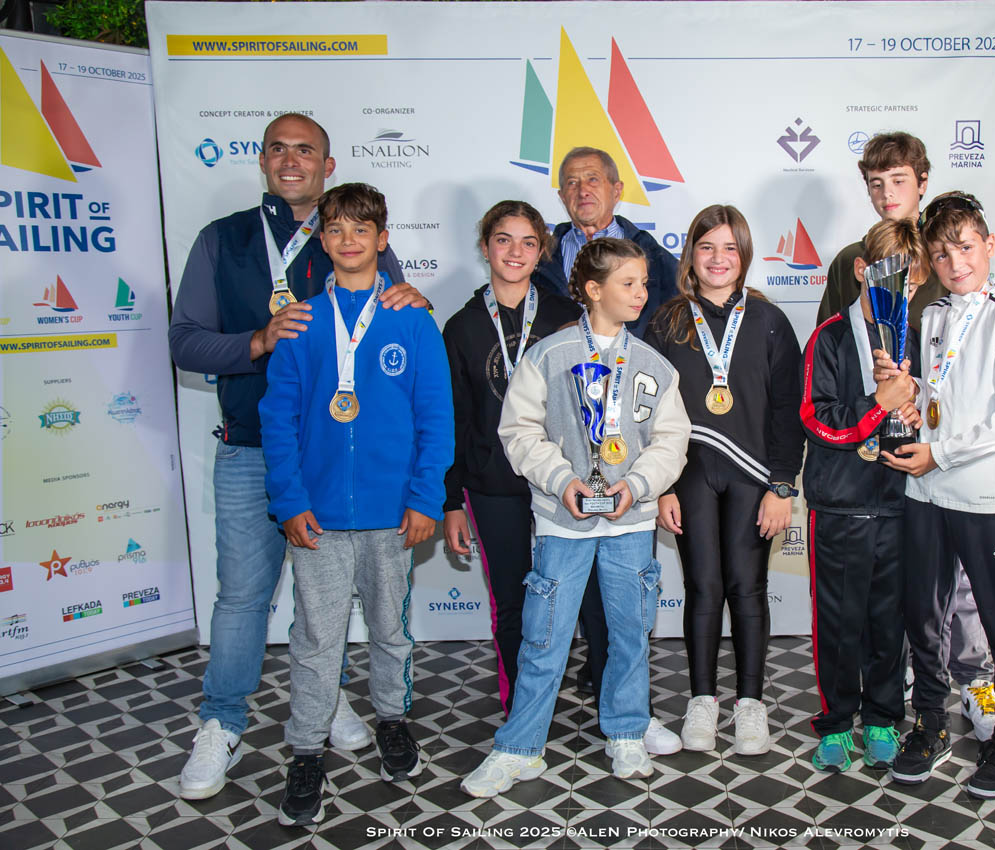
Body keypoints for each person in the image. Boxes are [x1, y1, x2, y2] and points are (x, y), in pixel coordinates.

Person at [168, 114, 431, 800]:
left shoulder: (350, 235)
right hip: (254, 449)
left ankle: (333, 704)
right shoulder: (223, 239)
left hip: (349, 472)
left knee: (334, 613)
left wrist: (414, 299)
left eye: (305, 150)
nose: (291, 160)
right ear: (261, 160)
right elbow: (184, 342)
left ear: (326, 163)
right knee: (243, 598)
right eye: (278, 149)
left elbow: (399, 331)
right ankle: (222, 721)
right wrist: (256, 341)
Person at [462, 238, 690, 797]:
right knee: (544, 637)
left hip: (631, 524)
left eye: (643, 283)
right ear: (593, 289)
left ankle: (627, 731)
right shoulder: (547, 356)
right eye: (628, 283)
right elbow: (519, 431)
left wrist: (637, 484)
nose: (641, 293)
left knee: (630, 633)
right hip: (562, 525)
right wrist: (563, 480)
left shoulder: (655, 365)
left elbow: (671, 440)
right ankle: (520, 747)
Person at [259, 182, 453, 824]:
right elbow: (278, 421)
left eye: (361, 229)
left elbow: (435, 418)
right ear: (322, 240)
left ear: (382, 239)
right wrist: (289, 501)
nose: (348, 240)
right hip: (317, 517)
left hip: (393, 514)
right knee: (317, 637)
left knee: (390, 629)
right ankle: (306, 750)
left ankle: (392, 719)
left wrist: (425, 497)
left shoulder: (413, 320)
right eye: (337, 229)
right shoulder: (301, 322)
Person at [820, 131, 995, 741]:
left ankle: (975, 682)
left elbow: (971, 352)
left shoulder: (946, 252)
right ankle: (909, 694)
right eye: (875, 183)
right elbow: (835, 350)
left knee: (962, 579)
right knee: (908, 591)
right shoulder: (854, 260)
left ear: (922, 182)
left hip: (947, 442)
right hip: (879, 454)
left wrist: (928, 408)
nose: (886, 193)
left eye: (898, 180)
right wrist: (876, 401)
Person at [883, 191, 995, 799]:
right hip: (926, 492)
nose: (956, 263)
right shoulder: (931, 315)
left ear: (989, 245)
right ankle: (930, 722)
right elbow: (939, 399)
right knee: (924, 620)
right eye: (941, 253)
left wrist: (941, 452)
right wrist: (911, 407)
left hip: (987, 499)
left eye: (966, 247)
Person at [647, 205, 804, 756]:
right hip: (687, 474)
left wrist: (781, 486)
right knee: (703, 586)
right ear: (691, 254)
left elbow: (787, 409)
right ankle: (702, 700)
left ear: (745, 255)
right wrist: (661, 486)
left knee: (748, 586)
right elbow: (648, 410)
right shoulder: (667, 321)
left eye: (730, 248)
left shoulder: (769, 321)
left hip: (753, 477)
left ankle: (751, 704)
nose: (718, 259)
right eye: (707, 247)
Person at [440, 201, 582, 718]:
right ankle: (521, 706)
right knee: (511, 599)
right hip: (492, 483)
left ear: (541, 252)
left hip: (561, 482)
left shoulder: (567, 318)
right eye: (503, 239)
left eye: (528, 242)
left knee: (575, 595)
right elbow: (453, 419)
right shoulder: (462, 327)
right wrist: (451, 501)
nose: (515, 252)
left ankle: (593, 692)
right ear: (485, 248)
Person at [800, 219, 927, 773]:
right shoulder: (829, 337)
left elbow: (936, 415)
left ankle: (882, 718)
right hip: (841, 504)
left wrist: (918, 410)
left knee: (888, 622)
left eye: (909, 282)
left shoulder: (916, 338)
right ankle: (834, 724)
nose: (899, 292)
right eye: (889, 278)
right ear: (861, 271)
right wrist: (879, 404)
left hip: (901, 502)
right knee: (838, 622)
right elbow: (817, 419)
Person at [531, 146, 678, 337]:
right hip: (560, 355)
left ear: (617, 191)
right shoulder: (539, 258)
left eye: (592, 179)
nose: (583, 191)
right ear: (562, 196)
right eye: (572, 182)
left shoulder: (656, 258)